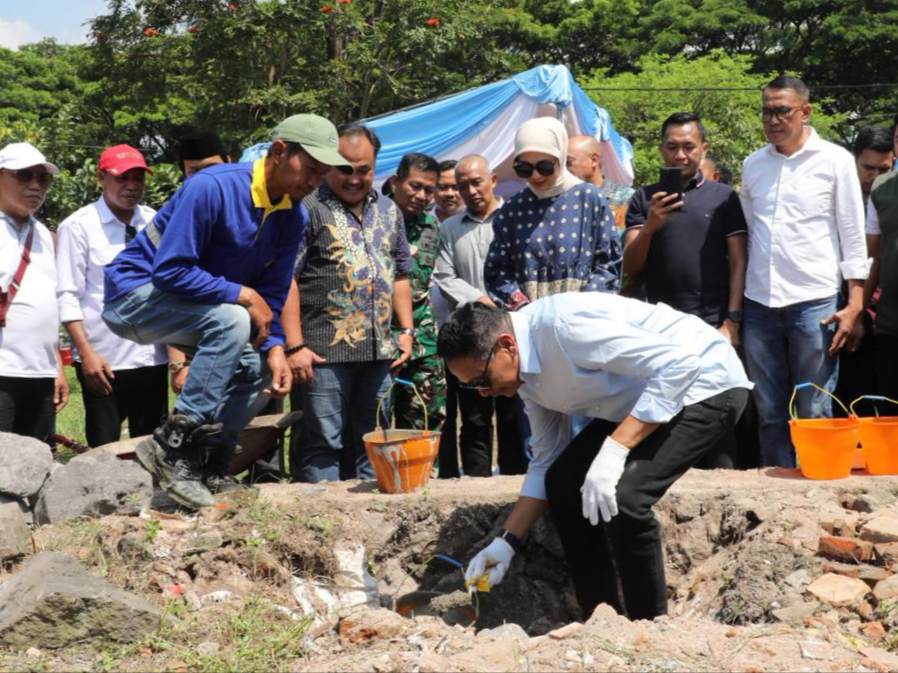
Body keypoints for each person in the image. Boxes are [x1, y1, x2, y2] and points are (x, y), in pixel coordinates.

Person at [439, 295, 750, 620]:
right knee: (562, 483)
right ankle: (602, 616)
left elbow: (680, 365)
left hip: (707, 384)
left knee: (627, 496)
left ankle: (649, 623)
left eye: (482, 380)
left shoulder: (565, 329)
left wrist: (616, 449)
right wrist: (506, 542)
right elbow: (545, 460)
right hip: (645, 398)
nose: (484, 393)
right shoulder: (523, 374)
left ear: (507, 346)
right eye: (472, 387)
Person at [102, 113, 347, 509]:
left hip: (188, 306)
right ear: (279, 152)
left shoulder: (293, 215)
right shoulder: (212, 187)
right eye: (311, 168)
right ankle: (171, 447)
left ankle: (209, 464)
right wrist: (243, 294)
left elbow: (273, 291)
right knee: (234, 318)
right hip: (132, 297)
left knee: (259, 367)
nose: (316, 181)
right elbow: (170, 270)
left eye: (323, 173)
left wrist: (276, 347)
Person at [740, 76, 867, 467]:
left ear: (805, 112)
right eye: (766, 111)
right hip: (759, 302)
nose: (773, 120)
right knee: (769, 410)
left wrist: (855, 304)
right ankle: (776, 487)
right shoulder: (753, 164)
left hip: (815, 303)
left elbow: (853, 235)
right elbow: (749, 234)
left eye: (782, 111)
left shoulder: (835, 160)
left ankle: (817, 481)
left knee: (813, 408)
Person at [283, 123, 414, 482]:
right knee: (322, 442)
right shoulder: (306, 208)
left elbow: (401, 274)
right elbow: (286, 279)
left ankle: (368, 514)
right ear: (328, 165)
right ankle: (319, 514)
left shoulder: (389, 210)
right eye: (344, 169)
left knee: (374, 441)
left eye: (364, 170)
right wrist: (294, 346)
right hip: (322, 354)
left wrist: (406, 331)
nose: (354, 179)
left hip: (380, 353)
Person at [623, 113, 749, 468]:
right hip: (660, 327)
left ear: (703, 148)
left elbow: (739, 261)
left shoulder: (723, 197)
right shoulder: (643, 198)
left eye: (688, 147)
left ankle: (723, 481)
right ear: (661, 149)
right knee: (665, 414)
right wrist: (651, 225)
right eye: (672, 147)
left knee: (717, 415)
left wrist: (732, 321)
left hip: (712, 325)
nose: (680, 155)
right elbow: (631, 266)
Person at [56, 144, 168, 447]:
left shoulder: (154, 221)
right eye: (122, 178)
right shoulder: (78, 227)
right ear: (101, 178)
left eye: (138, 178)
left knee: (153, 446)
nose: (131, 186)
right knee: (105, 449)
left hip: (151, 355)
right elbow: (67, 294)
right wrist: (85, 354)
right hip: (104, 359)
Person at [432, 154, 527, 477]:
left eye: (476, 182)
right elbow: (444, 276)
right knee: (474, 417)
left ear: (493, 181)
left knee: (513, 413)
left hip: (511, 334)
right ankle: (475, 481)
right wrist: (479, 299)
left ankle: (514, 479)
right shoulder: (449, 229)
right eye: (463, 185)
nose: (470, 191)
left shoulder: (515, 217)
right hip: (470, 338)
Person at [485, 118, 622, 311]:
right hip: (530, 320)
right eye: (524, 169)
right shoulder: (512, 210)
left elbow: (608, 263)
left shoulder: (590, 199)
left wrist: (580, 309)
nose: (536, 176)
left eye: (545, 167)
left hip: (583, 317)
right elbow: (498, 271)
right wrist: (525, 308)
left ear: (561, 157)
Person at [0, 142, 68, 441]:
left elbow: (49, 306)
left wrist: (57, 368)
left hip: (40, 373)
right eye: (24, 175)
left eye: (43, 178)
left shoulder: (45, 236)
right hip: (2, 372)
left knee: (36, 459)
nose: (36, 185)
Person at [835, 126, 895, 411]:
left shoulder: (888, 195)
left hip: (880, 310)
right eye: (867, 168)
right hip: (840, 301)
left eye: (883, 169)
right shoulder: (836, 195)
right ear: (854, 159)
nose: (873, 176)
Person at [389, 153, 446, 432]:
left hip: (424, 343)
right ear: (395, 182)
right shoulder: (375, 218)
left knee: (427, 423)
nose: (422, 195)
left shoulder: (431, 226)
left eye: (429, 190)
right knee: (376, 422)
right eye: (415, 186)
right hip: (384, 341)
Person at [864, 116, 898, 399]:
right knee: (891, 407)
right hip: (891, 323)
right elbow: (872, 259)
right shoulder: (881, 189)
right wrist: (858, 311)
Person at [566, 133, 634, 228]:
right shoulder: (562, 199)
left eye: (568, 162)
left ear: (594, 160)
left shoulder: (626, 198)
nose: (564, 169)